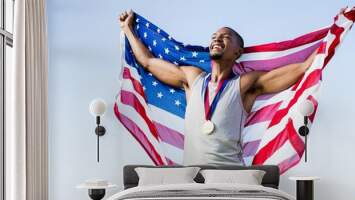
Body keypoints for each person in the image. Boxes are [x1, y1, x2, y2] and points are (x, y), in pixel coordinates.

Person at [119, 10, 317, 166]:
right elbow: (147, 61)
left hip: (231, 177)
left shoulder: (244, 84)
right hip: (193, 178)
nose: (217, 39)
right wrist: (128, 29)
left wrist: (335, 33)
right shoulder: (192, 77)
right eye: (214, 36)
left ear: (238, 52)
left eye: (226, 37)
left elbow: (301, 68)